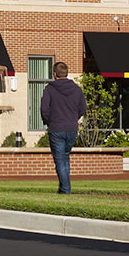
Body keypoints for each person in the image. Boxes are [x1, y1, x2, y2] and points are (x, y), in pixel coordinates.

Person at [39, 61, 87, 194]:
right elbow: (83, 108)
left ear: (54, 74)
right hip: (71, 128)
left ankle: (65, 189)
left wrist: (49, 121)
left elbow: (44, 109)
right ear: (67, 73)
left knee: (60, 160)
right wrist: (72, 119)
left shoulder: (49, 89)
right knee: (65, 158)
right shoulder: (77, 89)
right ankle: (62, 189)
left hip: (56, 128)